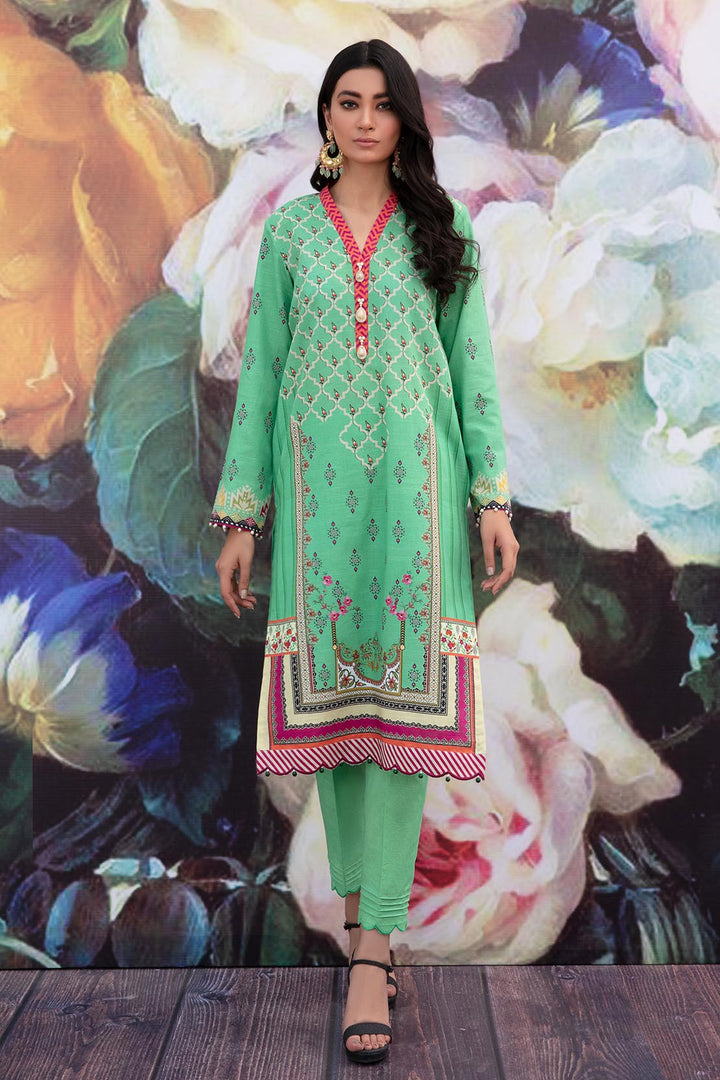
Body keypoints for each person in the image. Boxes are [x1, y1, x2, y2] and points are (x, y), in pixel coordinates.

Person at [210, 38, 519, 1064]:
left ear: (406, 120)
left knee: (400, 721)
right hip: (317, 507)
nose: (367, 120)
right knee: (339, 723)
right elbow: (260, 375)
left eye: (384, 104)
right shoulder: (291, 235)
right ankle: (365, 937)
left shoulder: (443, 229)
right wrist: (243, 514)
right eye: (349, 102)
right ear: (327, 116)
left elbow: (474, 370)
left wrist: (490, 498)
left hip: (417, 500)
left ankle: (373, 951)